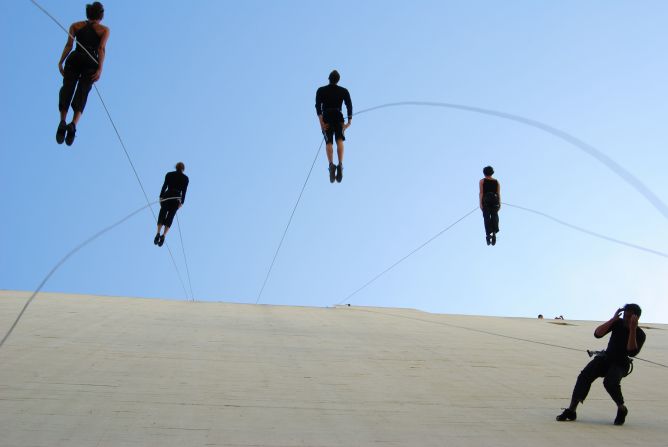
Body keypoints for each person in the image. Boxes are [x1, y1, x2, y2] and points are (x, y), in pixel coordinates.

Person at [556, 303, 646, 426]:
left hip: (621, 363)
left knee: (610, 382)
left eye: (629, 317)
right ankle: (571, 410)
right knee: (584, 376)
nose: (626, 319)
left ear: (636, 318)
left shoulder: (640, 334)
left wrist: (632, 329)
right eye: (625, 315)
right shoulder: (617, 323)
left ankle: (621, 408)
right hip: (606, 358)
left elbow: (631, 352)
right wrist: (613, 319)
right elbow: (597, 334)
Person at [56, 2, 110, 146]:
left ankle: (62, 120)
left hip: (75, 57)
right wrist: (100, 68)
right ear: (101, 15)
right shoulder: (104, 30)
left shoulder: (75, 26)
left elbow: (69, 45)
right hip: (90, 61)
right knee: (83, 91)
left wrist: (61, 61)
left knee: (68, 87)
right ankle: (73, 124)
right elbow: (101, 49)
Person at [315, 70, 352, 183]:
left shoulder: (321, 90)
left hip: (326, 116)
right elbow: (349, 105)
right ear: (338, 80)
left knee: (329, 142)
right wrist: (348, 122)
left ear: (329, 78)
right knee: (339, 140)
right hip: (338, 115)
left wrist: (321, 122)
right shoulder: (344, 91)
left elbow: (318, 107)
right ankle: (340, 164)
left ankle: (331, 165)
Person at [154, 162, 189, 247]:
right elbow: (184, 192)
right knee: (171, 216)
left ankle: (158, 232)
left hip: (167, 195)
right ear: (183, 169)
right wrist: (181, 202)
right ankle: (164, 235)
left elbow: (164, 186)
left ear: (176, 167)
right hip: (176, 198)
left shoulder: (169, 175)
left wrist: (161, 197)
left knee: (163, 212)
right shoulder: (185, 179)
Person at [479, 166, 500, 245]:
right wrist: (499, 203)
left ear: (484, 173)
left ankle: (488, 235)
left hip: (486, 201)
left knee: (487, 217)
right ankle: (494, 232)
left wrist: (480, 203)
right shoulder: (497, 182)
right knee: (494, 216)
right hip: (495, 201)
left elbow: (481, 193)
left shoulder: (482, 181)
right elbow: (498, 193)